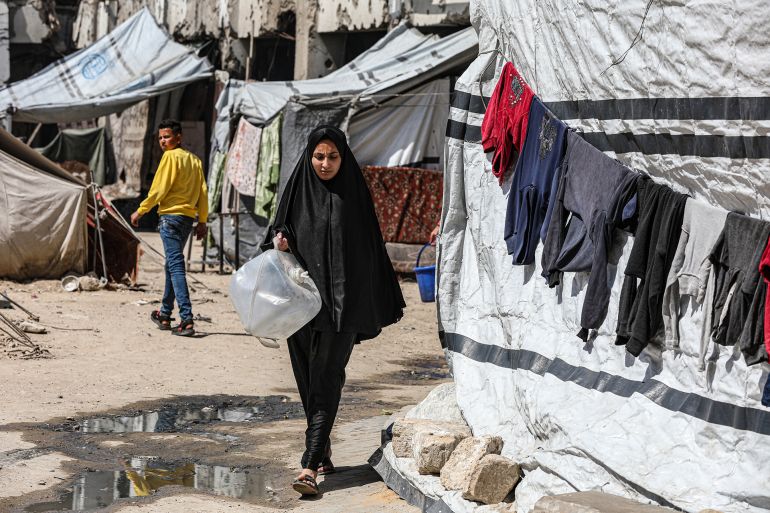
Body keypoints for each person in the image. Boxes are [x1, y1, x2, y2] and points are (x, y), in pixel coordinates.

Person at [263, 125, 405, 496]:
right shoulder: (297, 192)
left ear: (344, 157)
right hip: (300, 307)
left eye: (333, 157)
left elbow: (370, 251)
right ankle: (322, 444)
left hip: (342, 307)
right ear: (309, 157)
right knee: (309, 380)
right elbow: (275, 237)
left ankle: (309, 466)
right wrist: (280, 238)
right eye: (319, 156)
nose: (325, 164)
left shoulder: (354, 197)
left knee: (326, 379)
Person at [130, 119, 208, 337]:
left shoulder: (170, 157)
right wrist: (201, 221)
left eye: (167, 137)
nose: (163, 141)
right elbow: (202, 192)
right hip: (186, 220)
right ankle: (165, 313)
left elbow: (159, 189)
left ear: (179, 137)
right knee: (171, 265)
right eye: (161, 138)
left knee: (175, 266)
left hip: (170, 219)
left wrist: (141, 210)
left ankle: (186, 318)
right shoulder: (194, 161)